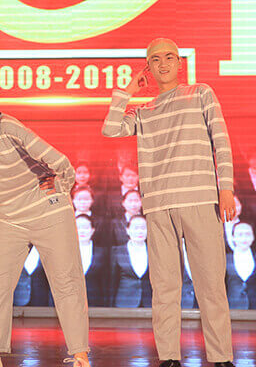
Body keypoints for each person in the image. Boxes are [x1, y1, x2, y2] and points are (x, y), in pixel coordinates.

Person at [102, 38, 235, 367]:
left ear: (179, 62)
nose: (163, 64)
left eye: (169, 57)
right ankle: (169, 357)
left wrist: (226, 188)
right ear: (148, 67)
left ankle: (221, 357)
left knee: (210, 283)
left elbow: (220, 140)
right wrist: (128, 91)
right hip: (158, 204)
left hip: (199, 197)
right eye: (155, 59)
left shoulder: (200, 93)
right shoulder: (144, 111)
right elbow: (110, 129)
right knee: (164, 286)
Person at [0, 85, 90, 367]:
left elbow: (59, 160)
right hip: (10, 219)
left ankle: (80, 356)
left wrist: (61, 189)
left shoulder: (8, 126)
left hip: (48, 212)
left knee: (66, 283)